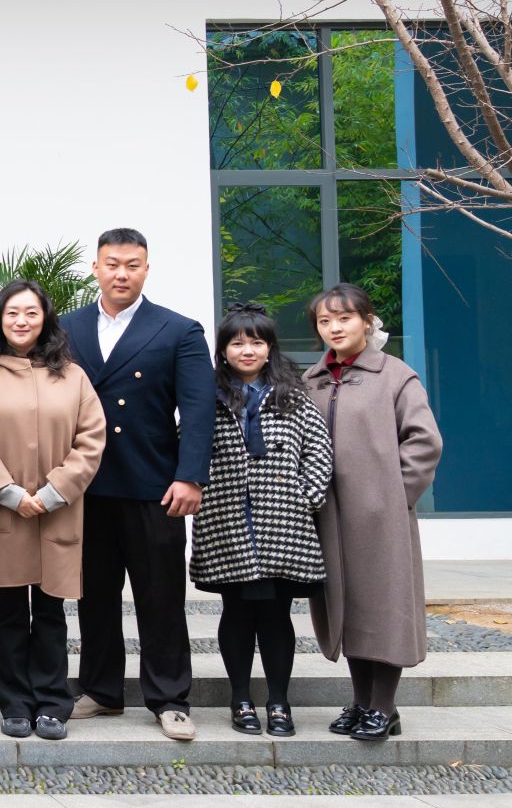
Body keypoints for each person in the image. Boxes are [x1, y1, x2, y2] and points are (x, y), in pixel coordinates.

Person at [59, 228, 212, 742]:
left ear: (147, 269)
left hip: (154, 484)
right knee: (94, 596)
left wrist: (190, 475)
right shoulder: (66, 328)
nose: (121, 274)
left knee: (160, 596)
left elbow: (197, 410)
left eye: (132, 265)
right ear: (96, 268)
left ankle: (170, 698)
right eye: (112, 264)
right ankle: (101, 690)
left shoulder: (178, 329)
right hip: (86, 484)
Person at [0, 279, 106, 740]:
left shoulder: (73, 375)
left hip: (57, 510)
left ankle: (52, 702)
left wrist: (53, 492)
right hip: (3, 510)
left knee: (50, 610)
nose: (21, 321)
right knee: (9, 610)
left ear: (45, 319)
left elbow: (92, 438)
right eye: (12, 313)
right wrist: (7, 492)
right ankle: (14, 704)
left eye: (31, 313)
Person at [305, 284, 443, 743]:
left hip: (382, 521)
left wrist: (394, 497)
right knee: (347, 610)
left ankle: (383, 706)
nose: (334, 327)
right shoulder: (312, 381)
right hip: (328, 519)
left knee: (384, 609)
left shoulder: (395, 376)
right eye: (325, 321)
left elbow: (424, 441)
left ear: (367, 321)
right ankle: (362, 701)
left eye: (344, 318)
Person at [189, 302, 333, 738]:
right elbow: (187, 448)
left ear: (270, 348)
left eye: (256, 342)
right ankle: (240, 699)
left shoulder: (294, 397)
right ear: (223, 350)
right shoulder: (207, 399)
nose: (247, 350)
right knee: (236, 612)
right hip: (226, 521)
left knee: (276, 615)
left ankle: (279, 702)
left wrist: (305, 496)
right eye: (237, 343)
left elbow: (319, 451)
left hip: (283, 524)